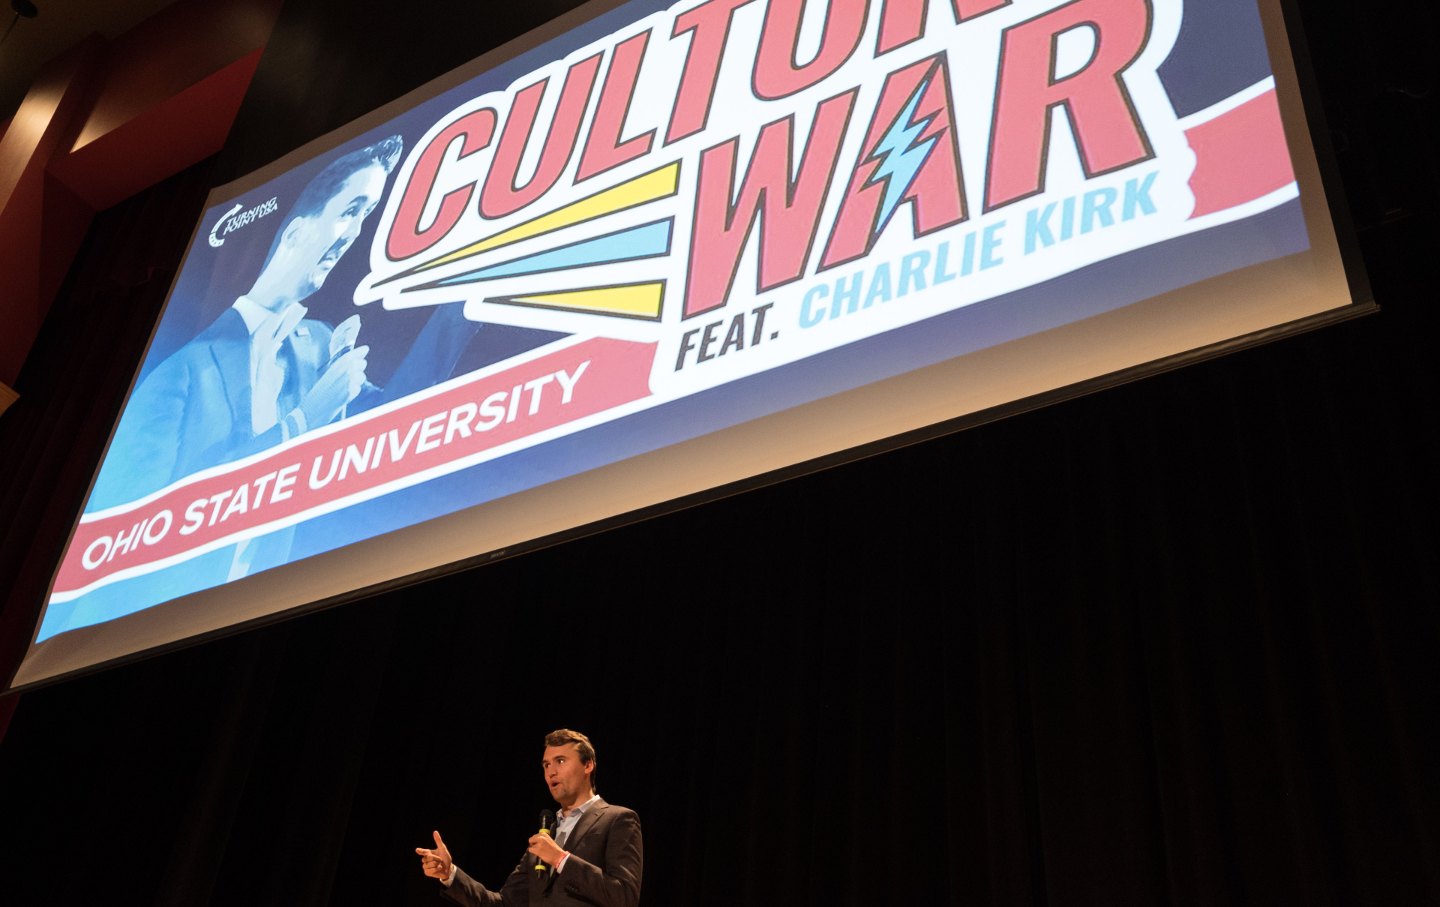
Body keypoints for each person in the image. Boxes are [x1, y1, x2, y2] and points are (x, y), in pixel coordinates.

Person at [88, 135, 405, 511]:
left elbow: (399, 416)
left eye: (366, 217)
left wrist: (458, 313)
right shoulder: (179, 375)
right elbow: (136, 525)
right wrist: (301, 423)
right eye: (350, 211)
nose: (355, 234)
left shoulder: (320, 342)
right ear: (295, 232)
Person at [417, 729, 643, 907]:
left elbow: (624, 897)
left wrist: (561, 860)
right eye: (546, 764)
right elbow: (504, 903)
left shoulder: (618, 819)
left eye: (561, 761)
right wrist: (450, 875)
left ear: (588, 765)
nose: (551, 772)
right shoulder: (544, 838)